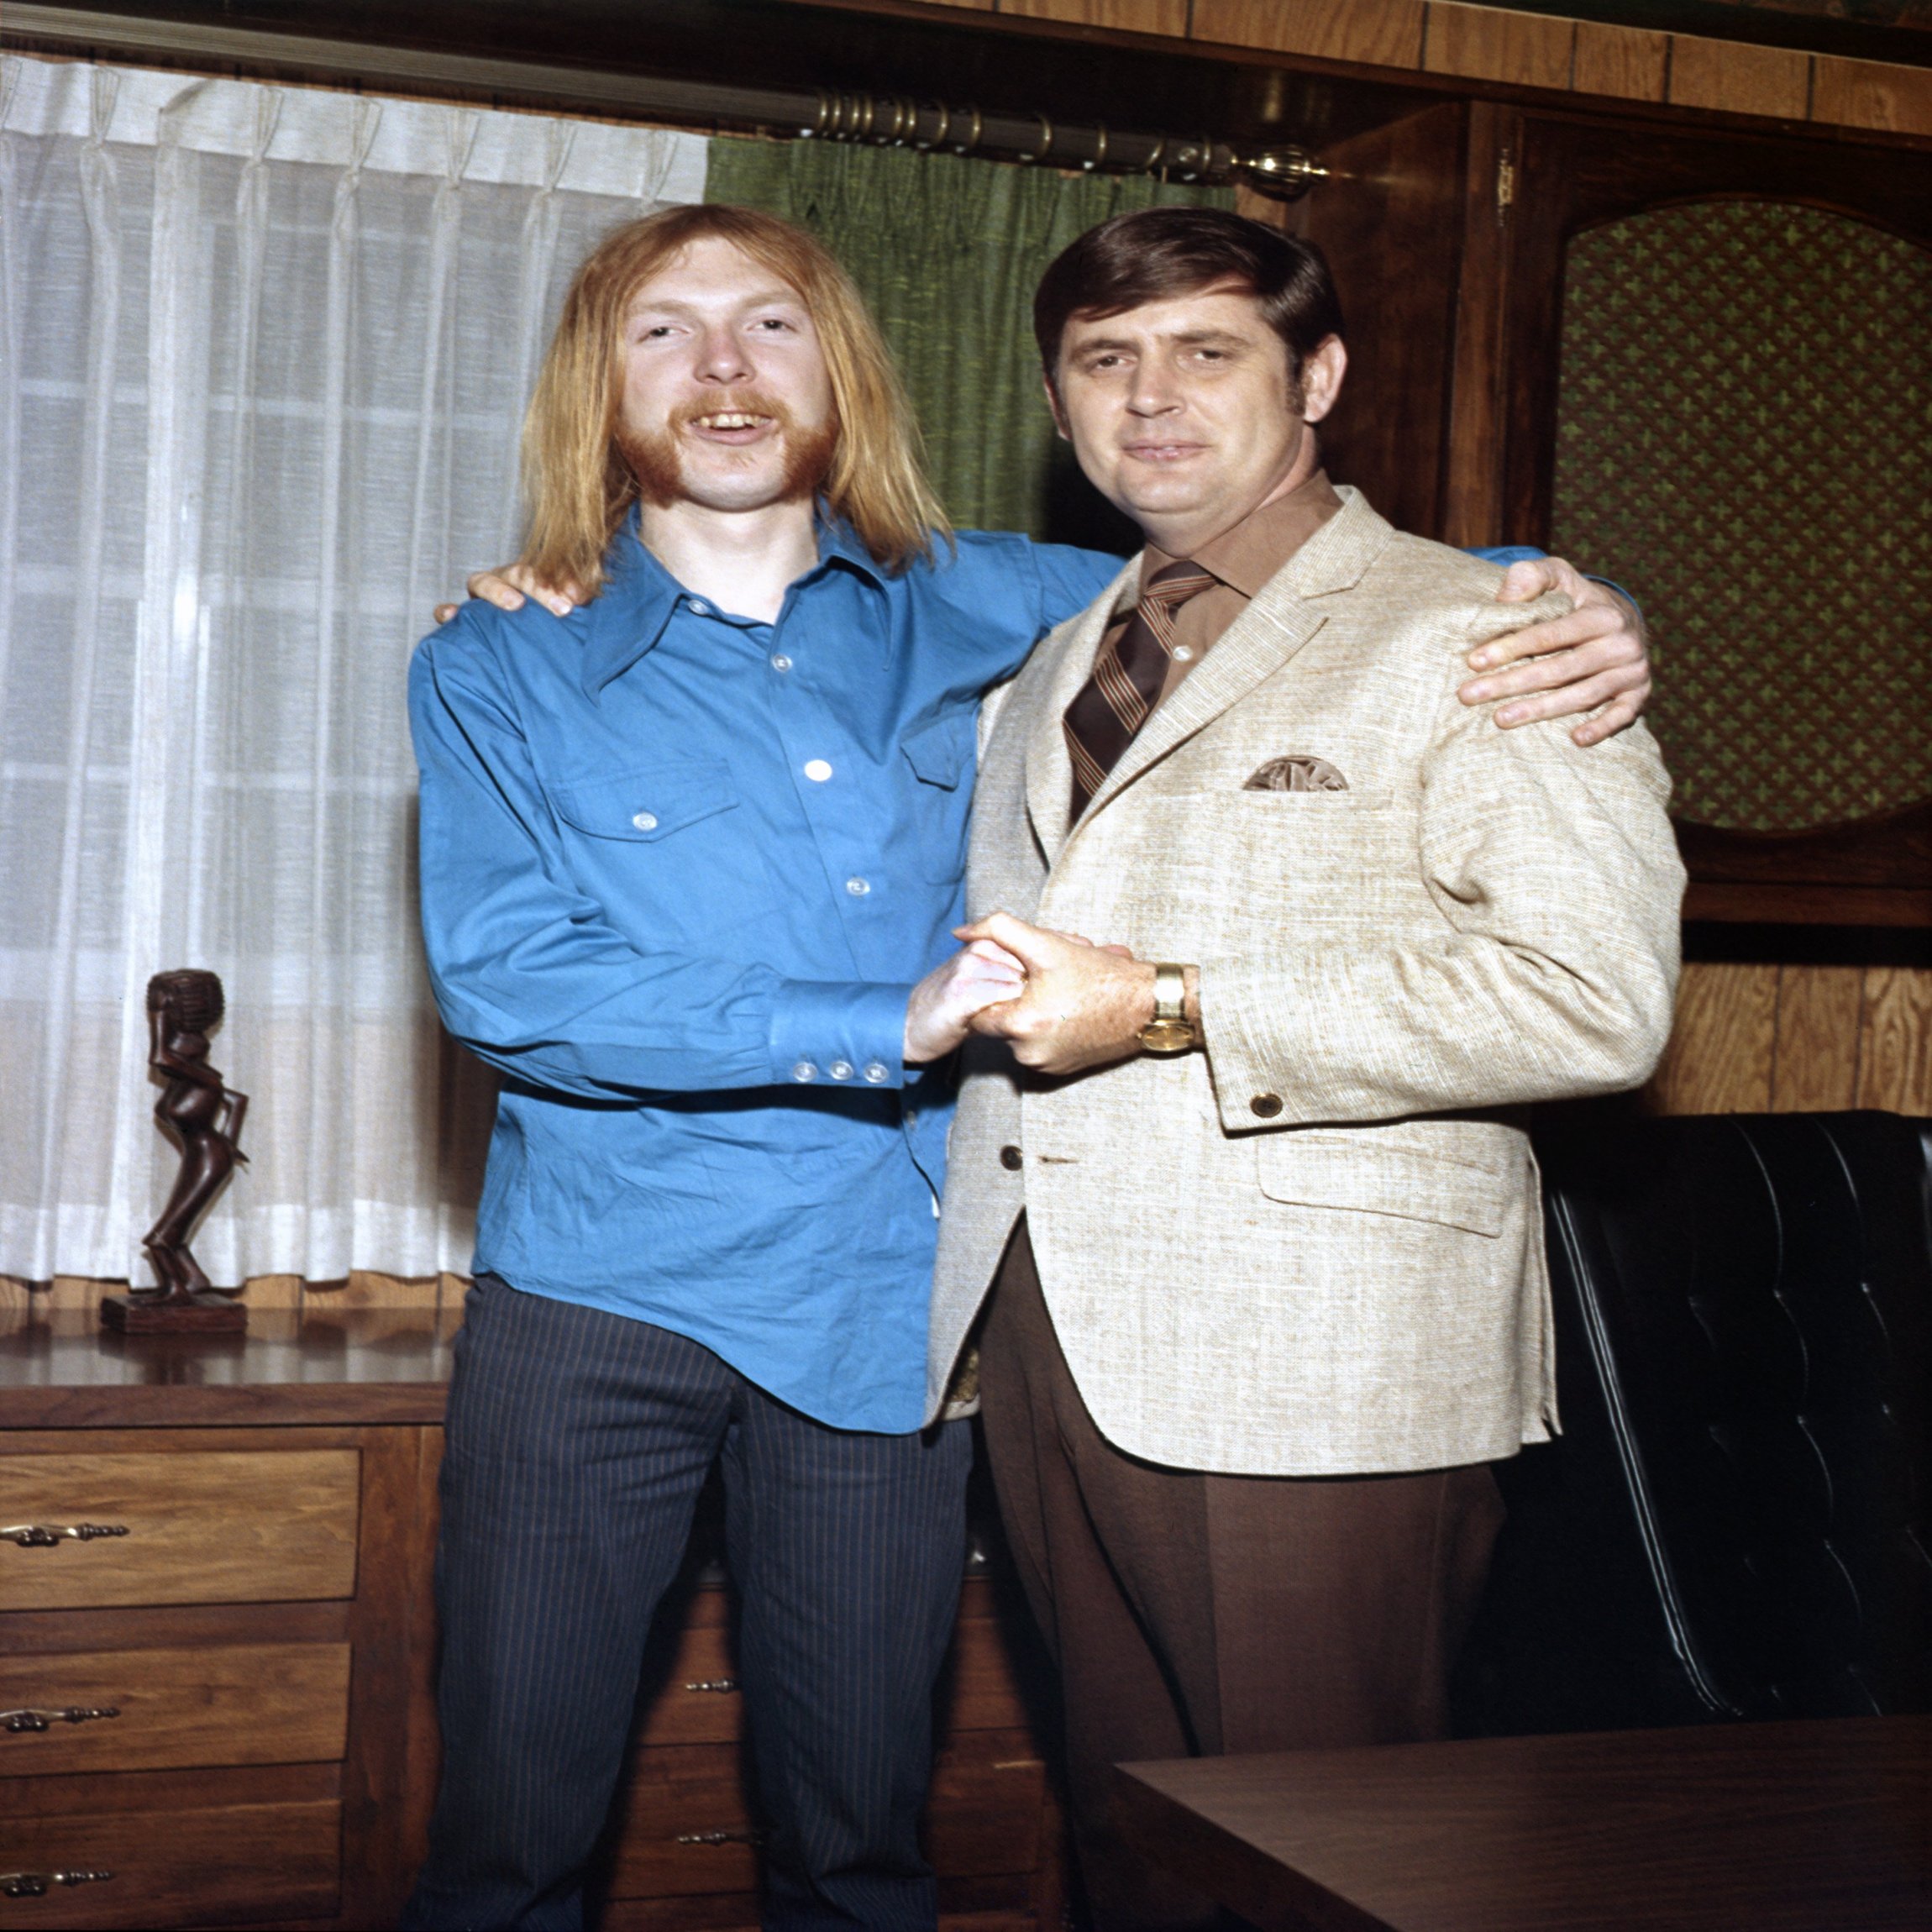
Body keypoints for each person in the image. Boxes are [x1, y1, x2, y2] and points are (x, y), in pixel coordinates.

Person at [415, 200, 1650, 1931]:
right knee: (506, 1833)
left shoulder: (1000, 599)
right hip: (599, 1299)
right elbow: (508, 980)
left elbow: (1325, 590)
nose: (719, 369)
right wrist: (881, 1026)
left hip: (896, 1308)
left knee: (861, 1842)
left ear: (834, 367)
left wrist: (1576, 598)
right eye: (660, 332)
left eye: (768, 324)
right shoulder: (500, 655)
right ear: (594, 389)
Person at [926, 206, 1686, 1932]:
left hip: (1326, 1368)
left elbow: (1593, 998)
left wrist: (1177, 1002)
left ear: (1317, 374)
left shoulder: (1487, 626)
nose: (1153, 399)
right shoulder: (1049, 662)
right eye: (1105, 363)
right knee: (1138, 1850)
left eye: (1210, 351)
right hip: (1050, 1338)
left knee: (1333, 1864)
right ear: (1056, 407)